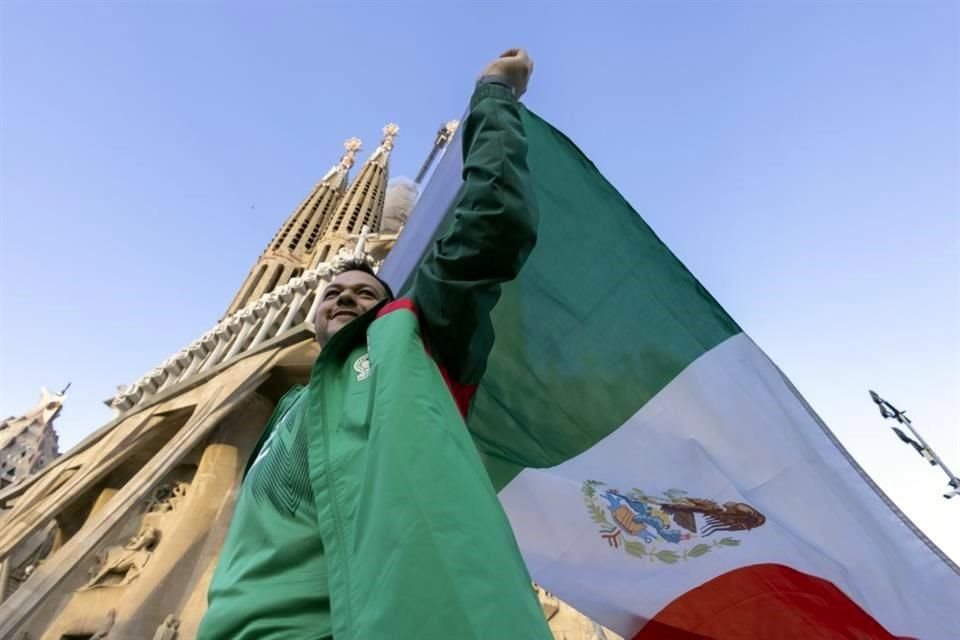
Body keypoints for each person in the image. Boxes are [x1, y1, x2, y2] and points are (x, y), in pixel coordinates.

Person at [198, 49, 552, 640]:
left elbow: (493, 221)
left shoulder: (414, 343)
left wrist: (493, 95)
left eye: (365, 293)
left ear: (389, 306)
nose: (343, 298)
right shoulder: (288, 408)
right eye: (332, 290)